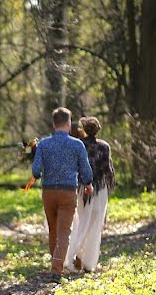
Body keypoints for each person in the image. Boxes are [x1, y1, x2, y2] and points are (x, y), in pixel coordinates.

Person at [31, 107, 93, 277]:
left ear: (53, 124)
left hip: (49, 192)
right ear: (68, 123)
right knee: (64, 231)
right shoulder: (77, 144)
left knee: (53, 230)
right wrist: (88, 183)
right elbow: (86, 171)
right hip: (68, 192)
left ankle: (55, 263)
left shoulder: (43, 144)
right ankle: (57, 270)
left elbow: (36, 171)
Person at [65, 116, 114, 272]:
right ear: (98, 129)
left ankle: (75, 254)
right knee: (95, 225)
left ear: (84, 129)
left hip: (82, 189)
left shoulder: (79, 145)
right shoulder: (104, 146)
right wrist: (110, 186)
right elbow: (108, 171)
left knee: (82, 220)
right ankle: (88, 263)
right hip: (100, 189)